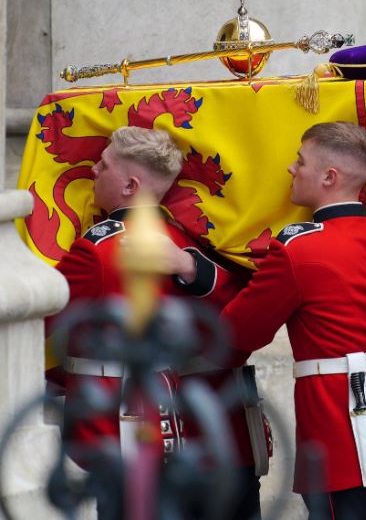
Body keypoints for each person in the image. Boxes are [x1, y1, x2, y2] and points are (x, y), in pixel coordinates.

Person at [193, 121, 366, 519]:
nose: (290, 169)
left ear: (329, 177)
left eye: (299, 161)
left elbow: (239, 332)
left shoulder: (296, 249)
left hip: (335, 413)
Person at [46, 126, 257, 519]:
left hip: (116, 430)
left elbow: (44, 327)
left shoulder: (95, 251)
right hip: (190, 433)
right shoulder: (191, 244)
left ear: (130, 185)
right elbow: (237, 316)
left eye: (103, 164)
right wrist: (193, 266)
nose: (92, 170)